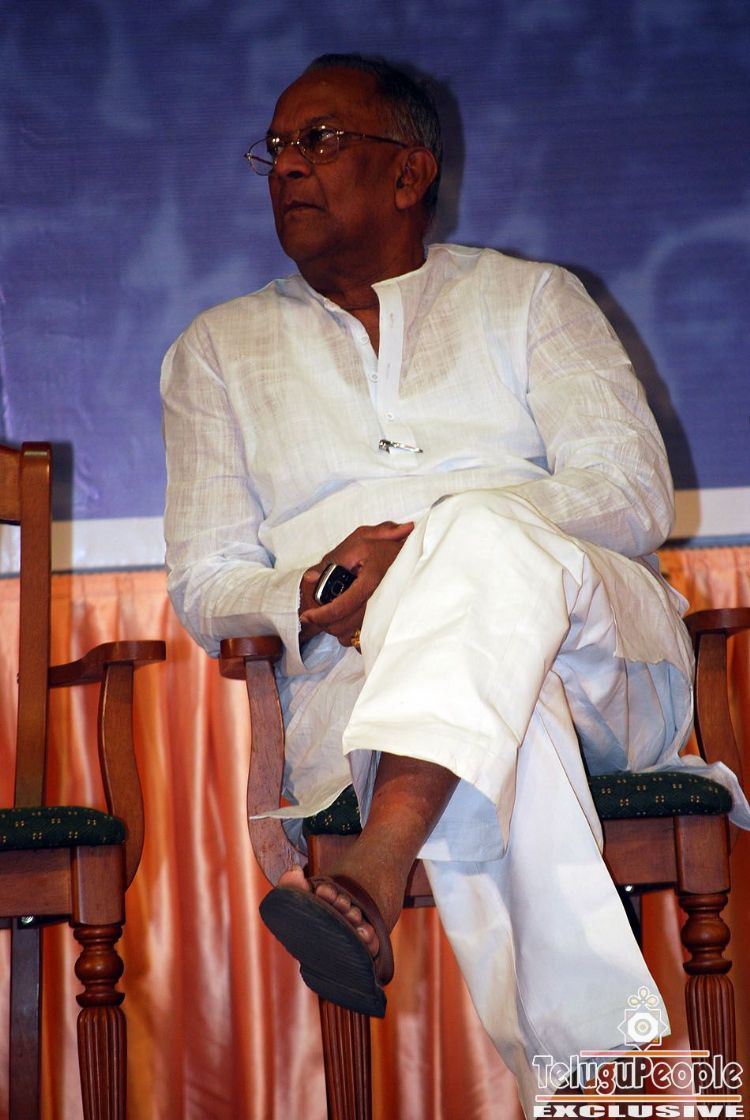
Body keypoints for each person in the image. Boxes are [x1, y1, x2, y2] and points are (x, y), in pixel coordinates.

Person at [161, 53, 746, 1112]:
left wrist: (429, 543)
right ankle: (605, 1088)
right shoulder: (215, 351)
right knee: (510, 720)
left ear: (410, 171)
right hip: (366, 684)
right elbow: (206, 585)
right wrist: (318, 591)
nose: (287, 166)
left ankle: (379, 857)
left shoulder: (532, 300)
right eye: (276, 148)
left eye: (320, 140)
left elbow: (629, 493)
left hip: (599, 659)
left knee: (478, 535)